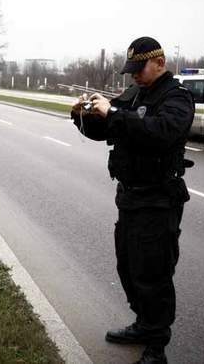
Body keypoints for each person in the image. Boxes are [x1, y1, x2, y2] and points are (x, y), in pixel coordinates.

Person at [71, 37, 194, 364]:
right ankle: (143, 324)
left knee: (153, 273)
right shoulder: (135, 94)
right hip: (130, 197)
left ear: (160, 63)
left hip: (158, 200)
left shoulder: (177, 98)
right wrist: (82, 116)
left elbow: (159, 132)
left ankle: (157, 345)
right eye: (132, 70)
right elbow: (109, 130)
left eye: (139, 69)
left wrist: (112, 112)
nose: (134, 76)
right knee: (127, 266)